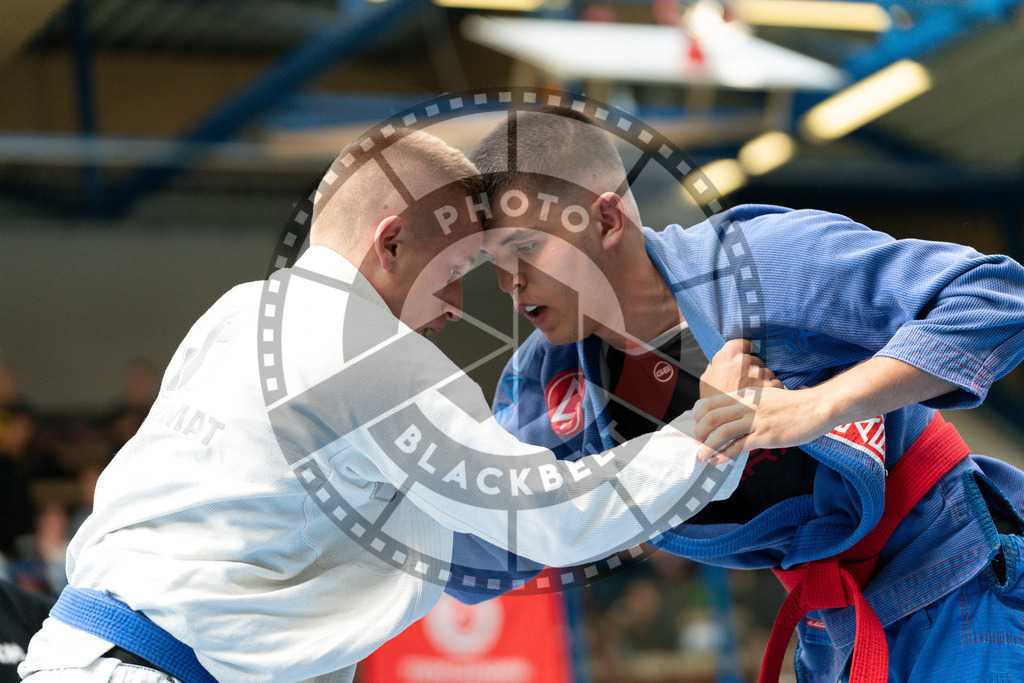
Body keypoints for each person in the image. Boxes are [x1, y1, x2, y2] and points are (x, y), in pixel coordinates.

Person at [18, 128, 766, 683]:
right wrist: (708, 434)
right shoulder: (365, 347)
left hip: (80, 654)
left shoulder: (237, 313)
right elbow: (550, 513)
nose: (454, 308)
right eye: (457, 272)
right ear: (392, 241)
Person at [451, 106, 1024, 682]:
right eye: (494, 261)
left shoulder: (762, 263)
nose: (509, 283)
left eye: (525, 248)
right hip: (842, 631)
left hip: (963, 573)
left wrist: (817, 406)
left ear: (606, 220)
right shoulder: (547, 387)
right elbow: (477, 544)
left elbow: (995, 297)